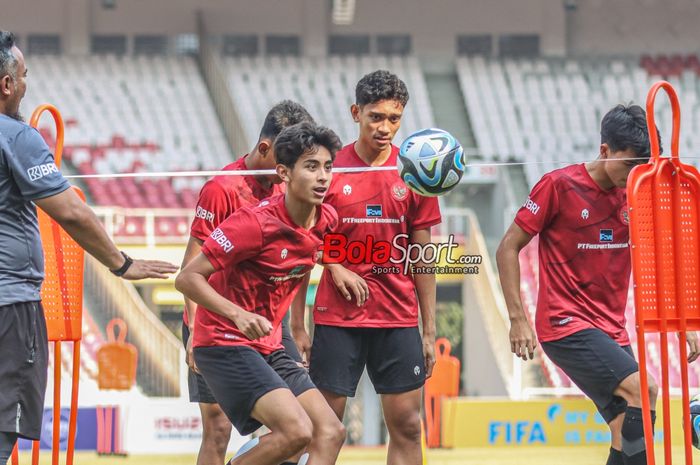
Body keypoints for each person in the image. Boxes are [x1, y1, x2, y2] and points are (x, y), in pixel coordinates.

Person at [0, 31, 178, 465]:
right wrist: (122, 264)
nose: (26, 84)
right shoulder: (16, 136)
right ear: (6, 85)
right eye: (23, 76)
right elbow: (73, 214)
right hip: (9, 307)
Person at [496, 103, 699, 465]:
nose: (635, 174)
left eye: (643, 166)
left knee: (625, 425)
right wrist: (517, 318)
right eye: (629, 164)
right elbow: (508, 248)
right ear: (604, 150)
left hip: (611, 329)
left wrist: (680, 320)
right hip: (565, 324)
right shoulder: (558, 186)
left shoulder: (637, 195)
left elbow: (656, 257)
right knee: (645, 389)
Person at [291, 70, 441, 465]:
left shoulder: (415, 171)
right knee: (322, 427)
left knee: (408, 427)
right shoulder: (328, 169)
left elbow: (423, 257)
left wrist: (429, 330)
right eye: (375, 117)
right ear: (355, 112)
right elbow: (301, 238)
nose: (385, 127)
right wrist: (301, 318)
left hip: (398, 319)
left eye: (394, 118)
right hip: (338, 319)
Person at [175, 122, 346, 465]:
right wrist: (237, 314)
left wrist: (335, 268)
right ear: (284, 173)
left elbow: (305, 262)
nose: (323, 177)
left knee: (330, 431)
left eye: (328, 167)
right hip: (224, 342)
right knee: (295, 431)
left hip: (268, 344)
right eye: (312, 167)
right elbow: (187, 278)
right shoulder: (252, 223)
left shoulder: (327, 219)